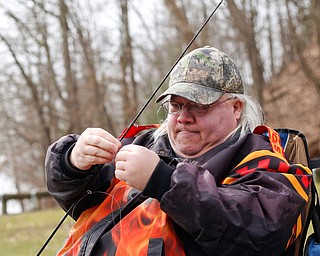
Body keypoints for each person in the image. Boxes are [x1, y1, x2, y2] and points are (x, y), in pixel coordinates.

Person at [45, 46, 312, 256]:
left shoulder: (262, 162)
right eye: (176, 106)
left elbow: (259, 235)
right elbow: (81, 198)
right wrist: (72, 162)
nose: (183, 117)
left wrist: (163, 181)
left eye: (200, 106)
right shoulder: (143, 143)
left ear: (235, 108)